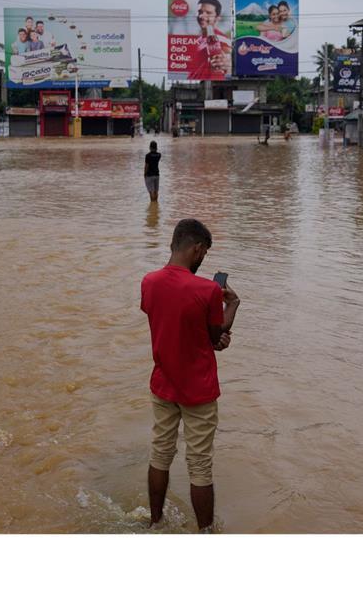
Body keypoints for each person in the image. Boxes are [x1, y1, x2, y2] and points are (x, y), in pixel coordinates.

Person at [140, 219, 239, 532]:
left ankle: (155, 523)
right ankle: (206, 533)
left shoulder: (149, 282)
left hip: (163, 384)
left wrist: (211, 337)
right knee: (199, 465)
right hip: (198, 390)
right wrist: (233, 304)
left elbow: (167, 322)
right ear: (197, 248)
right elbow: (216, 335)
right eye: (204, 253)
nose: (203, 260)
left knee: (160, 454)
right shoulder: (208, 289)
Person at [187, 0, 231, 80]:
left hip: (212, 87)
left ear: (217, 18)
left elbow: (228, 60)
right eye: (200, 12)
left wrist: (228, 64)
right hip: (198, 86)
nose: (202, 16)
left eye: (208, 13)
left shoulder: (220, 40)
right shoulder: (198, 40)